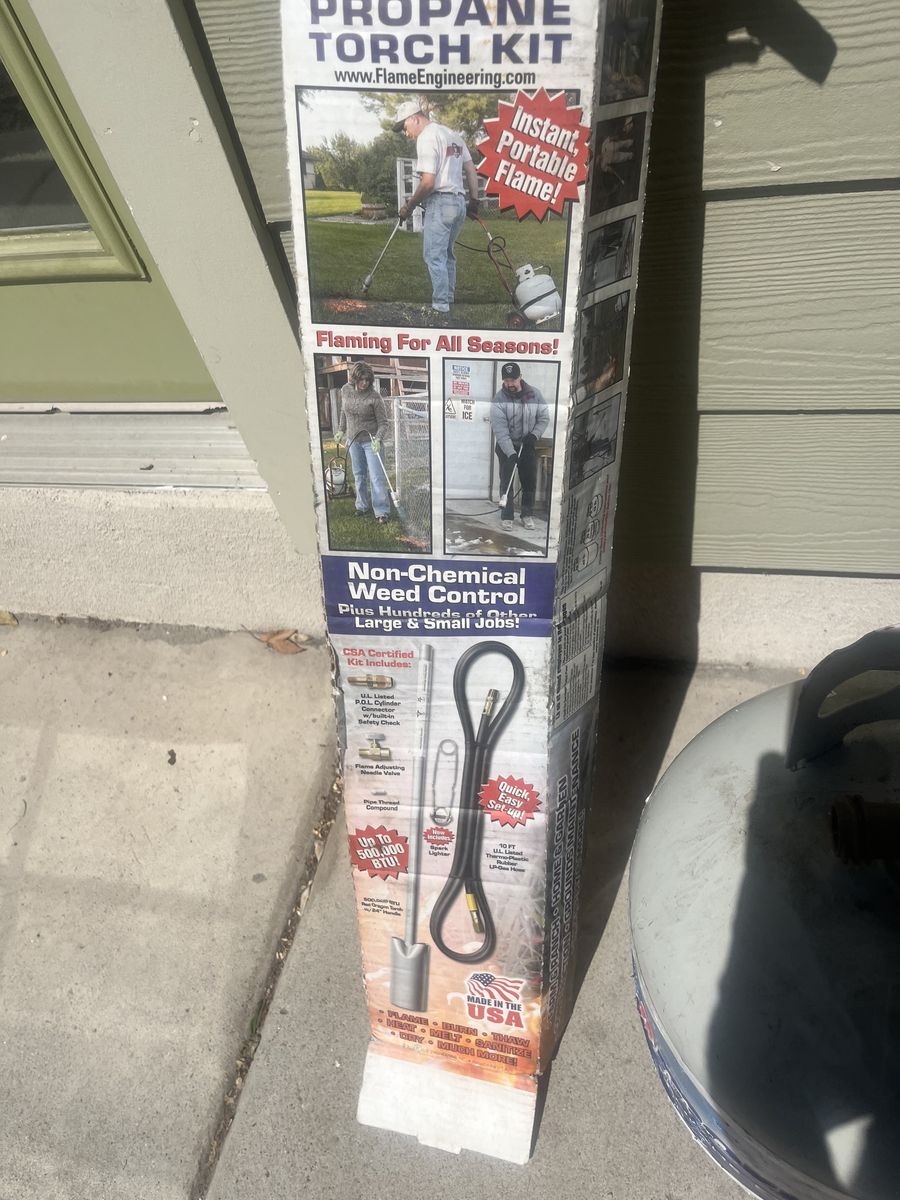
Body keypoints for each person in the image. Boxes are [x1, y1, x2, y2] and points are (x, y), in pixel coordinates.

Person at [394, 99, 480, 315]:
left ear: (415, 118)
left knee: (434, 255)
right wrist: (474, 202)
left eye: (405, 127)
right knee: (447, 254)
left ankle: (441, 307)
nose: (406, 133)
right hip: (458, 203)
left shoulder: (426, 137)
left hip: (441, 203)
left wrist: (409, 206)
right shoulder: (453, 135)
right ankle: (448, 299)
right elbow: (471, 170)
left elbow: (428, 183)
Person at [489, 362, 550, 532]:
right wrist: (511, 453)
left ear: (520, 377)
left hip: (527, 444)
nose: (510, 384)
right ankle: (507, 516)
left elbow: (543, 418)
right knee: (506, 481)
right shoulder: (499, 400)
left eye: (513, 380)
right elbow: (500, 430)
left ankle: (527, 514)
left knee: (529, 481)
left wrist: (534, 435)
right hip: (506, 447)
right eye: (506, 380)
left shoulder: (534, 394)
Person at [334, 361, 391, 524]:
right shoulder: (345, 390)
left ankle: (381, 511)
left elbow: (383, 423)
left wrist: (378, 439)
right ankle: (362, 506)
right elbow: (343, 411)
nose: (364, 383)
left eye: (367, 380)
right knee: (359, 475)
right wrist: (341, 430)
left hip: (371, 442)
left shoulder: (374, 397)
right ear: (355, 378)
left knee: (376, 477)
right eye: (361, 379)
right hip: (353, 441)